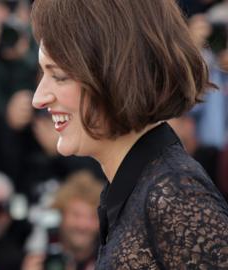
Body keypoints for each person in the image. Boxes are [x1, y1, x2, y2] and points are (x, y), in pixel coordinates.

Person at [31, 0, 228, 269]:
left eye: (60, 75)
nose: (39, 99)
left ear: (114, 73)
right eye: (43, 74)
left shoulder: (173, 197)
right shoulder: (143, 188)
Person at [22, 171, 103, 270]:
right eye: (76, 215)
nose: (82, 225)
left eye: (92, 217)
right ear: (61, 215)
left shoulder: (113, 257)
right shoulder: (40, 251)